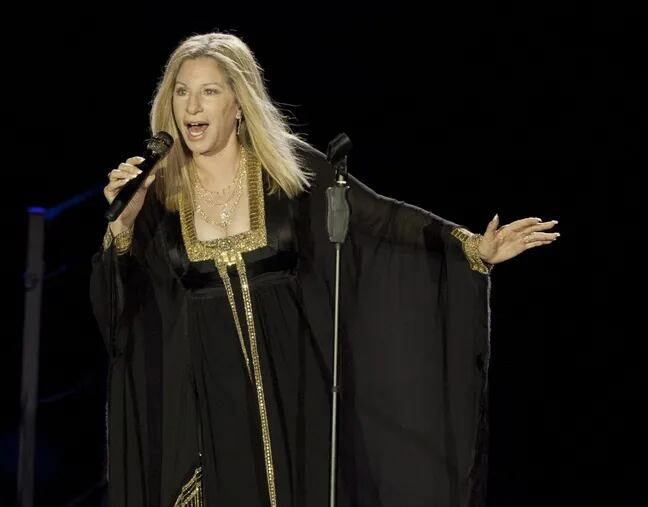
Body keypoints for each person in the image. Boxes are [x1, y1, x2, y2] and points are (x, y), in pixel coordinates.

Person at [90, 32, 558, 507]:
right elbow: (121, 313)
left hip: (297, 392)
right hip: (209, 412)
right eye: (182, 91)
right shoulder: (158, 197)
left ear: (238, 103)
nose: (192, 105)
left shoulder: (286, 170)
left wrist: (473, 246)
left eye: (208, 91)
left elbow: (379, 219)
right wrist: (122, 226)